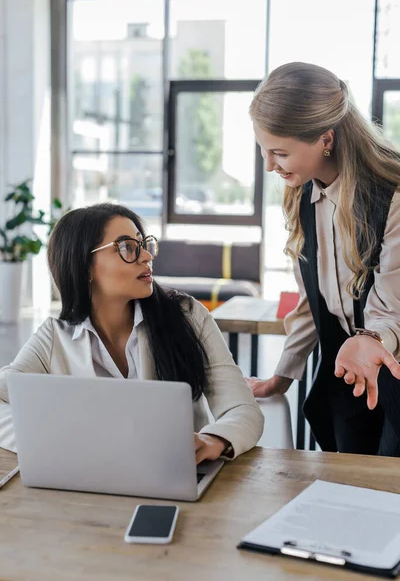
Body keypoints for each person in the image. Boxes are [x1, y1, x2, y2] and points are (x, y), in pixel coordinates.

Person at [0, 203, 264, 460]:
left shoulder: (187, 316)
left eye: (144, 244)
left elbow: (243, 409)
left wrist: (214, 440)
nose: (147, 256)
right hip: (88, 488)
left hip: (178, 478)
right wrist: (56, 443)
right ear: (85, 267)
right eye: (127, 248)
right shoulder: (53, 337)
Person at [248, 61, 400, 457]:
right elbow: (310, 302)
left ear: (325, 139)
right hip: (348, 377)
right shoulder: (303, 195)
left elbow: (391, 304)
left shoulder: (393, 193)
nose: (269, 165)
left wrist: (367, 340)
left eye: (279, 152)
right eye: (264, 150)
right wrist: (281, 377)